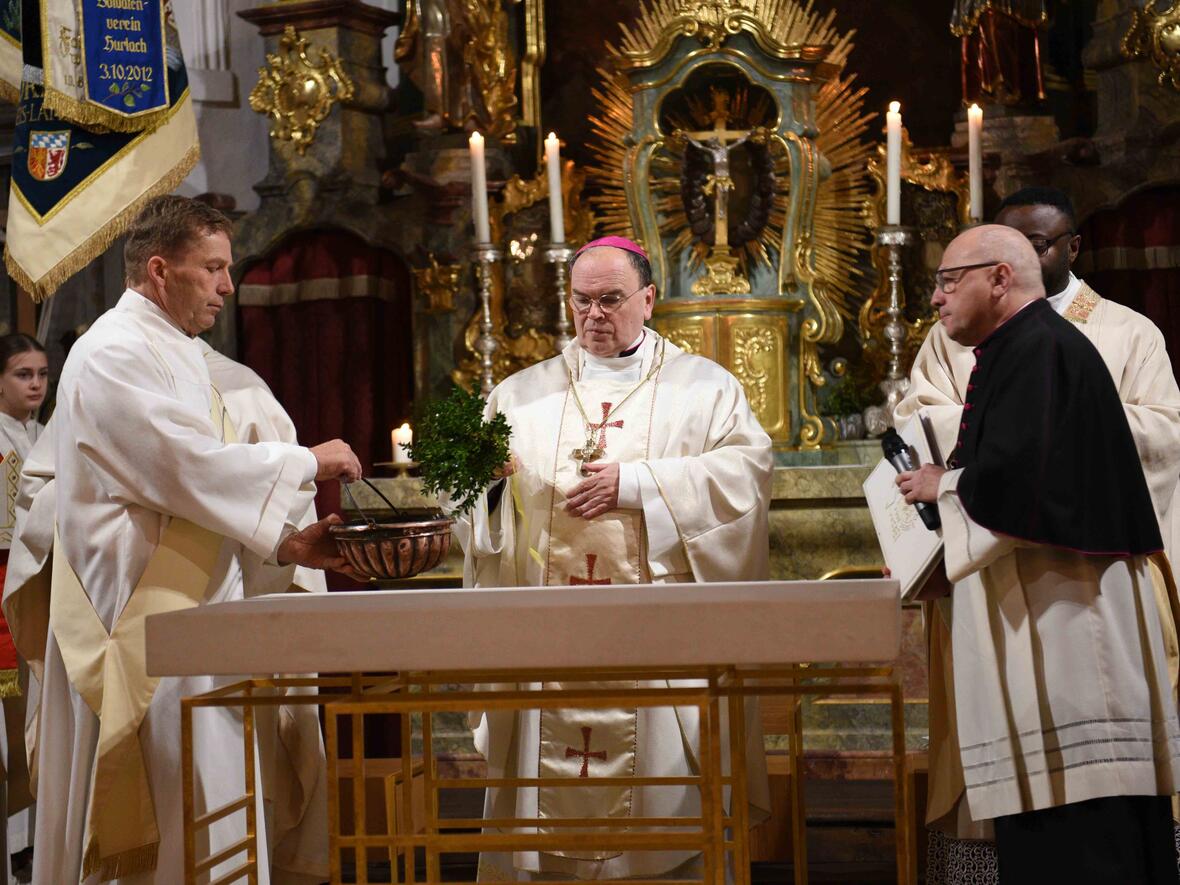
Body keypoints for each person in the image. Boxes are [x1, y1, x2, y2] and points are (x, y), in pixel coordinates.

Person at [19, 195, 362, 884]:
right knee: (166, 807)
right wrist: (308, 460)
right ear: (158, 270)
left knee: (209, 799)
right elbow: (184, 466)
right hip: (137, 617)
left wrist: (285, 543)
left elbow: (189, 488)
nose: (227, 287)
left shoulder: (174, 351)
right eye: (213, 269)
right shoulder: (113, 351)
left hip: (188, 613)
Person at [450, 236, 773, 881]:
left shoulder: (706, 389)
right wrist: (486, 484)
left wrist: (638, 485)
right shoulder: (519, 396)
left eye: (610, 300)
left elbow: (746, 477)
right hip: (549, 647)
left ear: (648, 300)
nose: (594, 315)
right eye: (580, 302)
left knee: (664, 826)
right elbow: (471, 506)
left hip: (657, 645)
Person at [895, 188, 1180, 884]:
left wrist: (945, 486)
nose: (934, 300)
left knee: (1084, 841)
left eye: (947, 280)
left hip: (1071, 630)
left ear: (999, 278)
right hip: (1047, 621)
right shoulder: (1020, 348)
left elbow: (1031, 477)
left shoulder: (1041, 350)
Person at [0, 334, 46, 883]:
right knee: (10, 732)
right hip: (6, 582)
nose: (35, 383)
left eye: (41, 373)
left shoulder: (45, 434)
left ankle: (31, 842)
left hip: (40, 585)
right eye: (21, 374)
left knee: (35, 724)